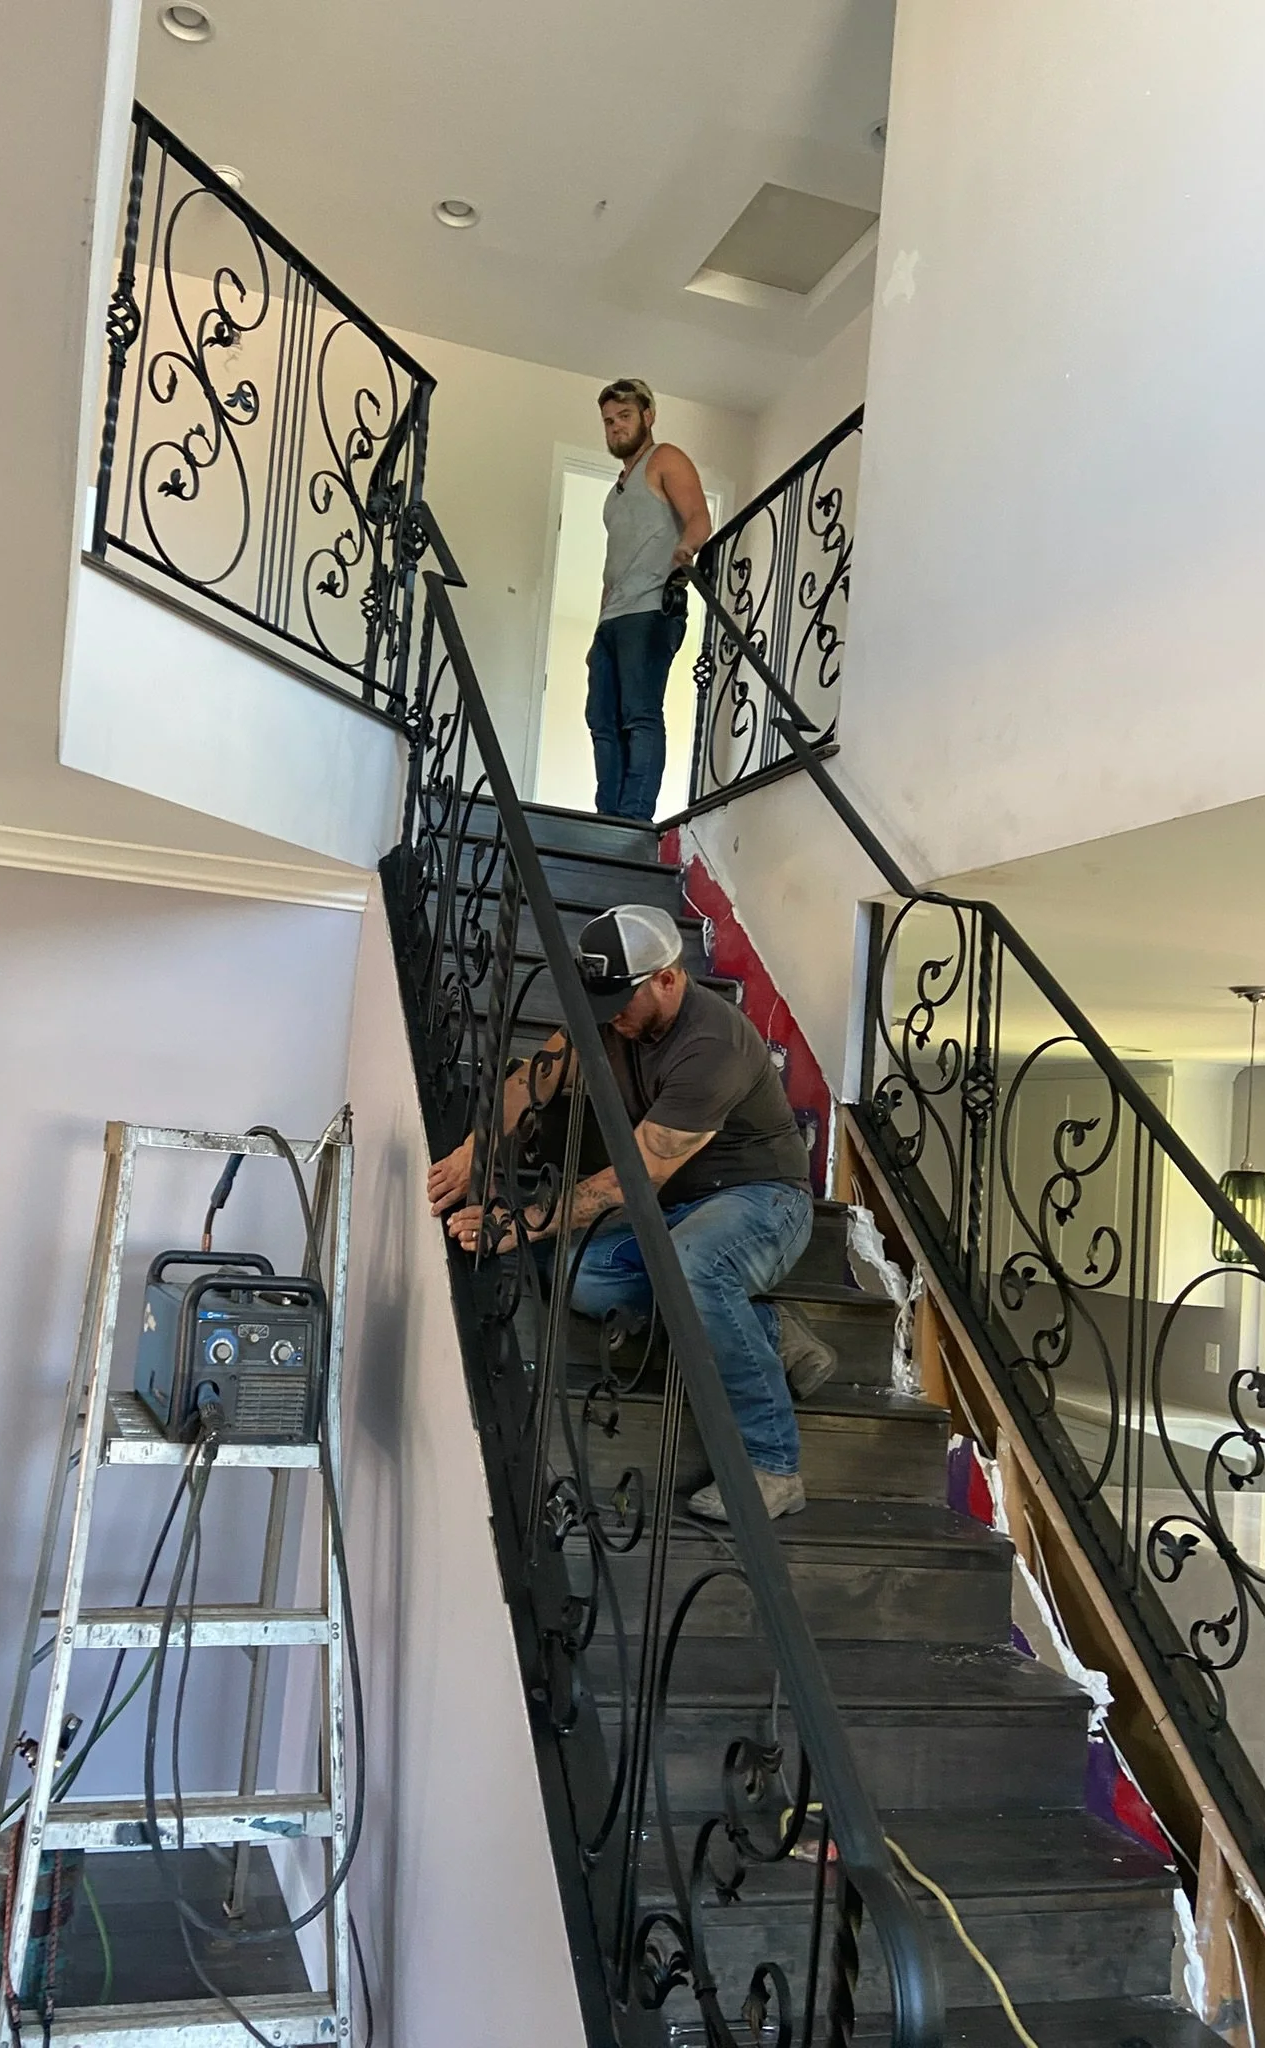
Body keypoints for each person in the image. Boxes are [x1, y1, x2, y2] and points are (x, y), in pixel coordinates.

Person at [427, 903, 834, 1522]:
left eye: (621, 1000)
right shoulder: (609, 1016)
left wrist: (520, 1223)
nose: (608, 1016)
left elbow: (633, 1178)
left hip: (763, 1201)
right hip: (675, 1209)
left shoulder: (712, 1046)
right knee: (578, 1275)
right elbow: (534, 1080)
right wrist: (473, 1152)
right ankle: (770, 1332)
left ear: (667, 978)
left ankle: (774, 1465)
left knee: (695, 1264)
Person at [587, 378, 712, 823]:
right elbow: (614, 563)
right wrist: (599, 626)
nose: (615, 427)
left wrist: (686, 549)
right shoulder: (615, 492)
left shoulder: (664, 459)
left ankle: (633, 819)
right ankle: (608, 817)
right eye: (608, 421)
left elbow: (698, 516)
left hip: (651, 609)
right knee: (602, 719)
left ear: (648, 416)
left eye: (624, 416)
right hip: (613, 618)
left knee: (639, 715)